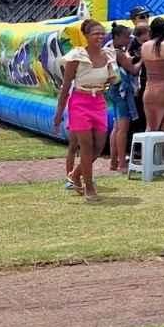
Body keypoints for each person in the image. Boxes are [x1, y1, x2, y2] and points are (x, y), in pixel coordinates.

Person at [53, 19, 116, 202]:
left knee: (99, 146)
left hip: (99, 102)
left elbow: (112, 79)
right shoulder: (76, 56)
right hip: (80, 101)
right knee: (86, 146)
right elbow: (66, 87)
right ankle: (88, 186)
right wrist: (59, 114)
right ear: (86, 36)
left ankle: (75, 174)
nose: (100, 36)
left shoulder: (108, 55)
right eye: (96, 33)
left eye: (102, 33)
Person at [105, 24, 139, 171]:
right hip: (121, 91)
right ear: (117, 37)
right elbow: (133, 70)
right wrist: (142, 60)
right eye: (126, 37)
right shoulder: (118, 53)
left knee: (117, 127)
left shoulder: (108, 48)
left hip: (113, 90)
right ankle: (121, 163)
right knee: (123, 129)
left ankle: (113, 161)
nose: (128, 40)